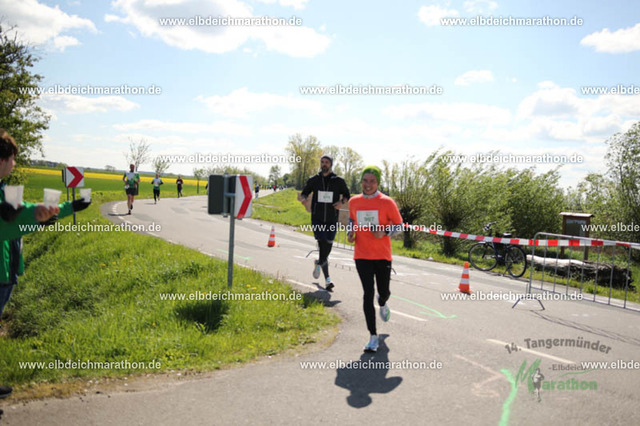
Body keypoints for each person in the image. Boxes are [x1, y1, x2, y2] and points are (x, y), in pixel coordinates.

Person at [0, 128, 90, 400]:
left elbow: (28, 214)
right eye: (12, 158)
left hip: (7, 271)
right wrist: (34, 216)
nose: (14, 163)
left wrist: (68, 208)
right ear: (2, 159)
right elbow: (15, 222)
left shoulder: (6, 189)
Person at [348, 166, 403, 353]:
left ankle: (383, 301)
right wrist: (350, 232)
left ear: (377, 182)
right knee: (367, 293)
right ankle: (372, 336)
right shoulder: (354, 201)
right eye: (365, 180)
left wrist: (384, 232)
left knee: (383, 291)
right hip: (362, 255)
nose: (368, 184)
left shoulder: (387, 202)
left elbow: (400, 226)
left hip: (382, 256)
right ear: (361, 182)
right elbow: (352, 220)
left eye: (372, 181)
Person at [298, 155, 350, 291]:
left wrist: (341, 202)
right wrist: (303, 199)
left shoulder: (338, 181)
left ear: (331, 164)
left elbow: (347, 194)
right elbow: (304, 193)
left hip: (332, 219)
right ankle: (328, 280)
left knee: (328, 246)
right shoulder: (314, 180)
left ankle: (319, 262)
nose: (324, 164)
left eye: (326, 162)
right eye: (322, 162)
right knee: (322, 243)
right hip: (318, 218)